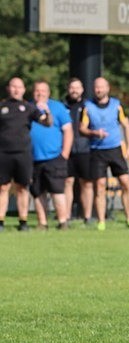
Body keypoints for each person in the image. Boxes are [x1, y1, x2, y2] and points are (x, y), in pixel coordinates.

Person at [79, 77, 129, 231]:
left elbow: (126, 125)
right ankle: (101, 221)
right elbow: (82, 128)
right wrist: (94, 132)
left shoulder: (116, 105)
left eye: (101, 87)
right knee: (99, 186)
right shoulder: (88, 107)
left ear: (107, 88)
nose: (99, 90)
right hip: (97, 151)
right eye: (96, 87)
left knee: (126, 182)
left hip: (114, 149)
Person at [0, 76, 51, 232]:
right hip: (3, 153)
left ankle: (23, 221)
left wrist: (47, 112)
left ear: (23, 90)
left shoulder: (29, 107)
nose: (16, 90)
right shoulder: (2, 107)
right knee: (3, 187)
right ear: (9, 88)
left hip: (23, 154)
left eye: (19, 87)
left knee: (22, 187)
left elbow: (46, 123)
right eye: (13, 86)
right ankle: (0, 221)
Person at [29, 80, 72, 230]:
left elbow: (68, 131)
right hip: (33, 158)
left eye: (43, 91)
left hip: (54, 157)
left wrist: (65, 154)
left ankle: (62, 221)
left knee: (57, 191)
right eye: (37, 91)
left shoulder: (57, 107)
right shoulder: (28, 108)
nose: (40, 94)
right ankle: (43, 223)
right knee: (37, 192)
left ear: (48, 93)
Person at [64, 78, 93, 225]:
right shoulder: (62, 107)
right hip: (67, 150)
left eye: (77, 88)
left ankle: (87, 217)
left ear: (82, 90)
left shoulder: (88, 106)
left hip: (84, 149)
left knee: (86, 183)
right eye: (72, 87)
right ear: (68, 89)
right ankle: (66, 216)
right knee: (67, 182)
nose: (74, 90)